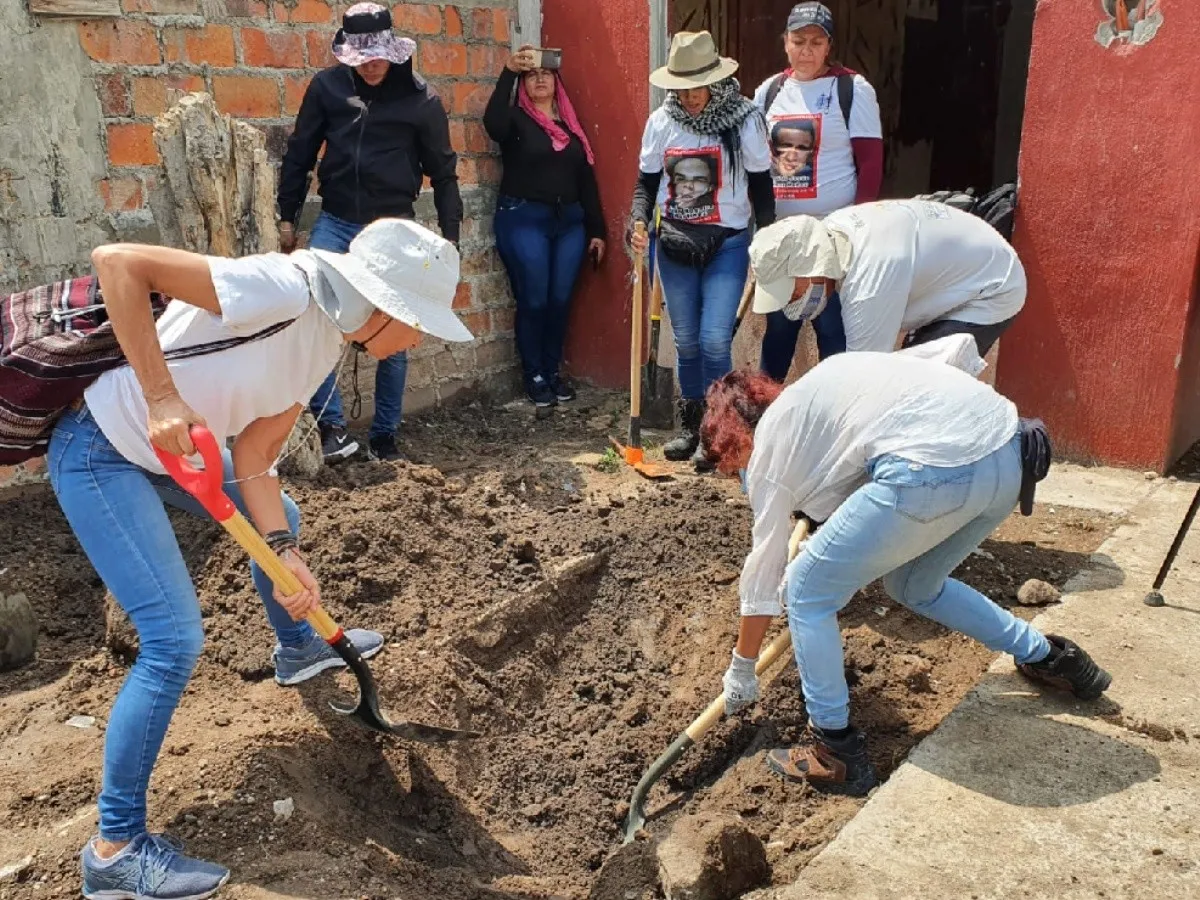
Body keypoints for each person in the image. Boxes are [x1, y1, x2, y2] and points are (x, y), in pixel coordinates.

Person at [53, 219, 473, 898]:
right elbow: (118, 261)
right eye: (419, 323)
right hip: (102, 451)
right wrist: (161, 397)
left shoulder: (325, 345)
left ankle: (298, 651)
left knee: (289, 521)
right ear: (384, 305)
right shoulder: (282, 289)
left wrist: (284, 555)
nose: (419, 339)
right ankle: (115, 848)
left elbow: (253, 459)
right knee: (172, 639)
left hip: (173, 455)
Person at [702, 351, 1112, 795]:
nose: (742, 477)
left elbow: (764, 571)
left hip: (932, 470)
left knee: (805, 590)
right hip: (1006, 455)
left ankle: (834, 752)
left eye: (734, 467)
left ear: (739, 437)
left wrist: (743, 667)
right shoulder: (826, 389)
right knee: (914, 585)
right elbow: (950, 354)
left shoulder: (769, 449)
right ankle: (1052, 658)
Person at [277, 2, 462, 462]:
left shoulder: (422, 101)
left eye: (379, 55)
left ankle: (385, 435)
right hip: (336, 220)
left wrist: (450, 238)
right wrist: (287, 215)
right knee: (314, 315)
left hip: (393, 230)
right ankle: (333, 426)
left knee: (393, 330)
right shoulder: (327, 89)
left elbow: (444, 173)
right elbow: (300, 152)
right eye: (362, 58)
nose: (373, 65)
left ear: (393, 50)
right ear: (348, 57)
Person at [630, 31, 775, 470]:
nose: (690, 96)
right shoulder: (662, 122)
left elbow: (761, 183)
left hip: (726, 242)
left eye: (697, 85)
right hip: (674, 241)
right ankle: (691, 429)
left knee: (715, 338)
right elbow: (647, 183)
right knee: (687, 340)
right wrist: (638, 220)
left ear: (714, 80)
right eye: (681, 87)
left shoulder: (745, 119)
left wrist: (767, 235)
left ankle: (720, 433)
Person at [753, 1, 884, 380]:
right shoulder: (769, 92)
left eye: (815, 42)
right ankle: (766, 416)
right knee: (779, 328)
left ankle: (834, 411)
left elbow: (871, 163)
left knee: (831, 329)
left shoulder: (852, 89)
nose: (806, 50)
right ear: (785, 44)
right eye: (798, 41)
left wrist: (860, 227)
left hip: (833, 231)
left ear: (829, 47)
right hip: (784, 234)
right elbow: (756, 161)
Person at [484, 44, 606, 408]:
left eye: (546, 73)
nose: (539, 79)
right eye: (531, 75)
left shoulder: (570, 126)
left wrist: (598, 229)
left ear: (556, 82)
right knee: (534, 298)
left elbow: (586, 179)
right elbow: (492, 123)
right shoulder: (516, 121)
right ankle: (533, 373)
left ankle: (552, 371)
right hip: (524, 217)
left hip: (569, 222)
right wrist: (508, 71)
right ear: (523, 85)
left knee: (559, 300)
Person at [749, 199, 1027, 356]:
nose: (791, 301)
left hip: (992, 287)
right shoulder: (835, 231)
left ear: (808, 266)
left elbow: (864, 377)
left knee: (924, 386)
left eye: (792, 291)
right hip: (956, 274)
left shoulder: (871, 278)